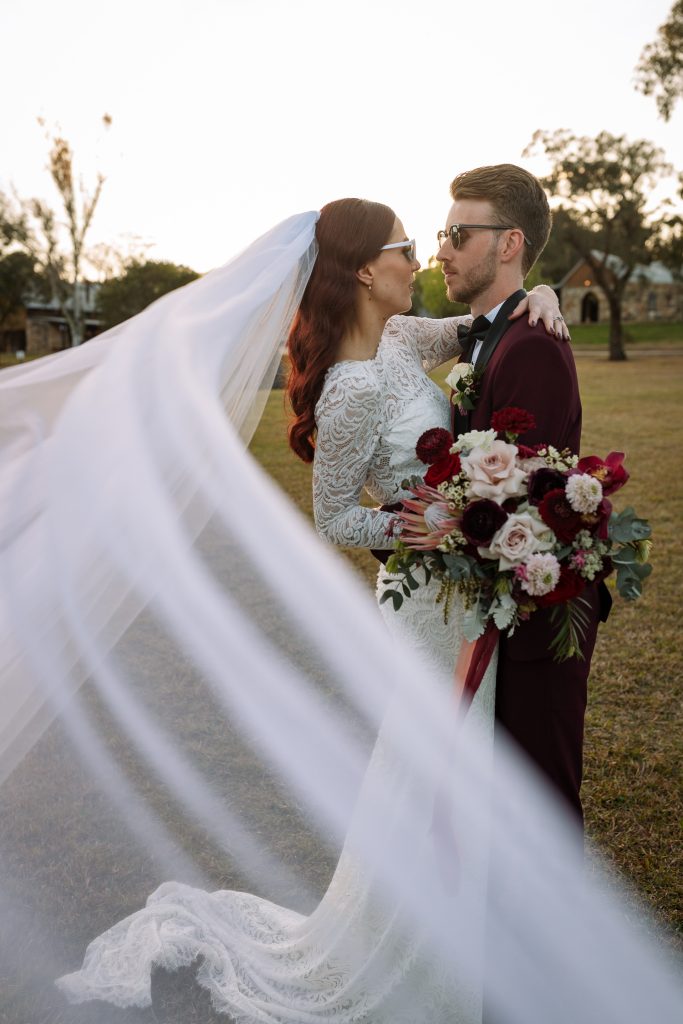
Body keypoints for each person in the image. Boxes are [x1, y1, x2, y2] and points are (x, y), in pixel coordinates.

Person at [53, 199, 564, 1024]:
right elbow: (332, 517)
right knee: (429, 779)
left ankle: (464, 942)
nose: (420, 259)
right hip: (426, 603)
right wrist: (414, 527)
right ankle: (415, 962)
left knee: (456, 780)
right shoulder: (350, 392)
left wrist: (542, 300)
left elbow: (481, 331)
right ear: (365, 270)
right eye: (405, 247)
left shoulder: (401, 339)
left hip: (463, 598)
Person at [435, 163, 608, 826]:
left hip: (537, 610)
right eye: (440, 232)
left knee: (535, 798)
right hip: (496, 602)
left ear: (507, 243)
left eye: (457, 233)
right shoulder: (485, 334)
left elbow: (520, 506)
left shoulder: (531, 346)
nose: (442, 249)